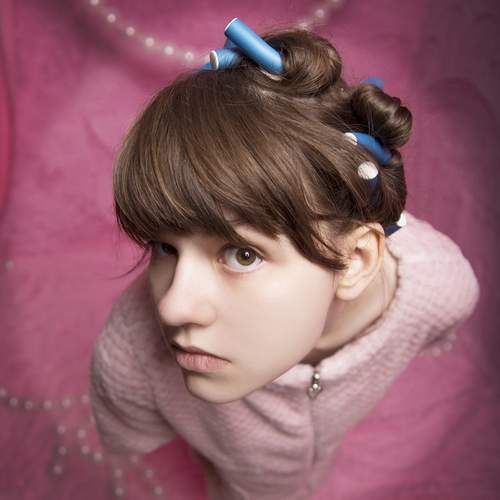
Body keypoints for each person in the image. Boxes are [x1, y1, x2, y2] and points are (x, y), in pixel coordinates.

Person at [89, 19, 480, 500]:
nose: (172, 307)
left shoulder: (439, 286)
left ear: (356, 261)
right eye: (164, 247)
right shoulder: (131, 355)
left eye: (242, 254)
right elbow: (128, 434)